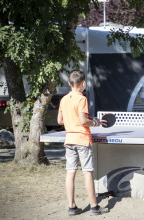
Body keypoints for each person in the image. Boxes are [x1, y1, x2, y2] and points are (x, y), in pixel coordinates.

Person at [57, 69, 109, 216]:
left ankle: (72, 207)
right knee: (87, 173)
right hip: (82, 140)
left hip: (69, 140)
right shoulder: (82, 99)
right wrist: (95, 122)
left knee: (70, 172)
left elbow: (60, 120)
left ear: (69, 83)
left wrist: (74, 121)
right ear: (83, 83)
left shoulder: (64, 99)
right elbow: (83, 121)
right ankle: (94, 207)